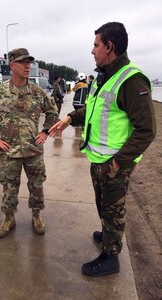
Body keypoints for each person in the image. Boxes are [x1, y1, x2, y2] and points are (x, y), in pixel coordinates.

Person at [49, 22, 156, 276]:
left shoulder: (132, 80)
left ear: (110, 46)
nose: (92, 50)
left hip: (114, 162)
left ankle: (111, 257)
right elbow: (94, 110)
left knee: (114, 208)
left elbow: (147, 130)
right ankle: (109, 235)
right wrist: (69, 118)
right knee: (104, 204)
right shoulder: (102, 76)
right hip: (99, 158)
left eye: (96, 44)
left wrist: (119, 162)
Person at [0, 48, 58, 238]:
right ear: (12, 65)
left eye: (29, 62)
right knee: (9, 188)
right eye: (23, 62)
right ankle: (9, 218)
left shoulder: (37, 92)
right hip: (10, 151)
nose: (27, 66)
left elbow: (53, 112)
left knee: (36, 185)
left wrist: (45, 132)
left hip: (33, 150)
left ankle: (36, 216)